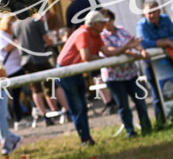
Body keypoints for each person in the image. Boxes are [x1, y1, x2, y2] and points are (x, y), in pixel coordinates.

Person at [57, 10, 140, 146]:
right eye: (102, 22)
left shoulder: (96, 34)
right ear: (94, 24)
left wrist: (125, 48)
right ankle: (85, 139)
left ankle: (86, 138)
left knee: (82, 107)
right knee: (78, 107)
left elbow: (107, 52)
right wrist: (103, 58)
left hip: (75, 71)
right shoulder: (83, 33)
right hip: (66, 71)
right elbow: (87, 57)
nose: (104, 25)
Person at [100, 10, 151, 138]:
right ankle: (131, 132)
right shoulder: (101, 36)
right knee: (124, 105)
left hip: (131, 73)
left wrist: (142, 50)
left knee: (140, 101)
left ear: (113, 19)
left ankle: (147, 128)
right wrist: (128, 52)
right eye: (104, 21)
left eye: (109, 20)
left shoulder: (122, 30)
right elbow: (110, 50)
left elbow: (133, 42)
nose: (107, 23)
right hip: (114, 76)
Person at [12, 4, 63, 126]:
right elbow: (47, 41)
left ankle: (45, 116)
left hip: (26, 61)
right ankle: (66, 110)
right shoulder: (36, 21)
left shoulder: (14, 25)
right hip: (40, 58)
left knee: (36, 90)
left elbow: (16, 42)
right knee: (52, 85)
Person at [136, 1, 173, 124]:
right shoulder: (141, 25)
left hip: (169, 60)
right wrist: (166, 42)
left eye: (154, 12)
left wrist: (158, 42)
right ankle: (161, 122)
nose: (151, 15)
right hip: (151, 63)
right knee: (157, 95)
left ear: (159, 11)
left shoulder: (166, 19)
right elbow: (144, 43)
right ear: (144, 14)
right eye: (149, 13)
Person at [0, 14, 26, 126]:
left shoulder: (2, 33)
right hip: (12, 69)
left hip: (14, 67)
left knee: (17, 95)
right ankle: (18, 120)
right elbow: (6, 48)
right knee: (15, 96)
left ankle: (20, 118)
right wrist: (18, 42)